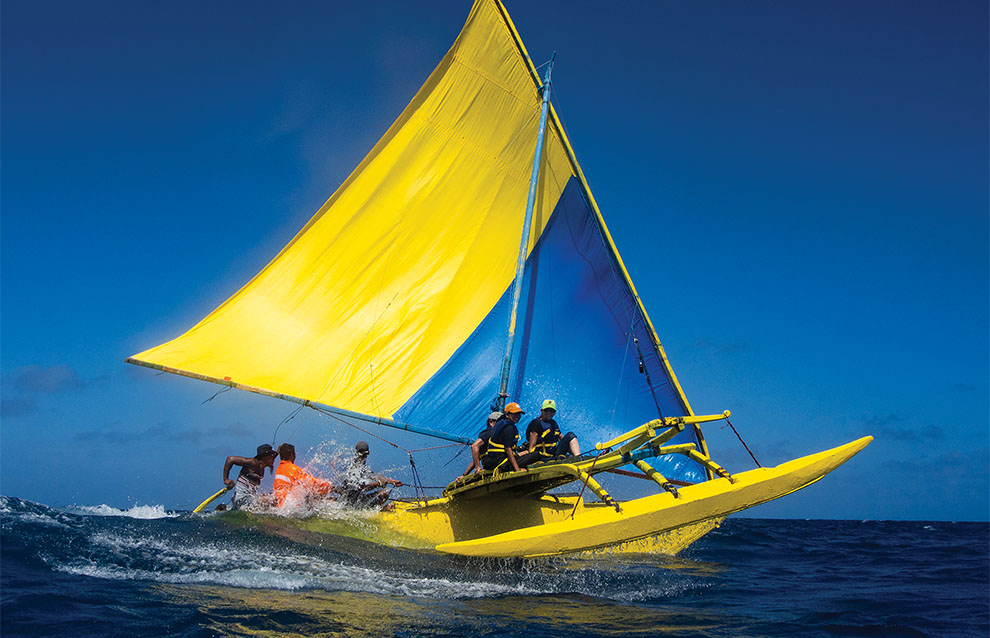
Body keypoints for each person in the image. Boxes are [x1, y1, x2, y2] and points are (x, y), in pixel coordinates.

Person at [338, 441, 403, 508]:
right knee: (384, 494)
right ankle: (379, 509)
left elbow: (373, 475)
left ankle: (375, 509)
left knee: (382, 493)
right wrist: (378, 483)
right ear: (369, 452)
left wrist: (390, 481)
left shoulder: (358, 466)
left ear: (356, 453)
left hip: (354, 499)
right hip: (352, 503)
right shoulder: (356, 467)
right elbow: (361, 487)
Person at [272, 443, 335, 507]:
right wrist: (332, 488)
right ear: (292, 456)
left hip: (280, 506)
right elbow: (312, 483)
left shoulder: (279, 470)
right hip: (291, 506)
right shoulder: (293, 469)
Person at [223, 444, 278, 509]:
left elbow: (273, 457)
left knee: (273, 498)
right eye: (272, 455)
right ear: (265, 457)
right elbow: (230, 459)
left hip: (250, 498)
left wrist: (279, 450)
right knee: (269, 500)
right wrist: (226, 479)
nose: (274, 458)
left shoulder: (263, 466)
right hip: (240, 499)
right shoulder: (253, 463)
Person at [481, 402, 527, 472]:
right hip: (501, 462)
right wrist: (517, 469)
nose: (517, 416)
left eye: (519, 414)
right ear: (507, 415)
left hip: (495, 460)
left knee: (526, 453)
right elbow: (508, 449)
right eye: (514, 414)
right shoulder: (508, 428)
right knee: (537, 454)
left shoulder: (500, 424)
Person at [462, 411, 501, 476]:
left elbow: (477, 457)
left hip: (499, 462)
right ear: (491, 422)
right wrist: (478, 467)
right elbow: (474, 446)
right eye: (499, 422)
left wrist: (464, 475)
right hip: (495, 464)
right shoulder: (489, 433)